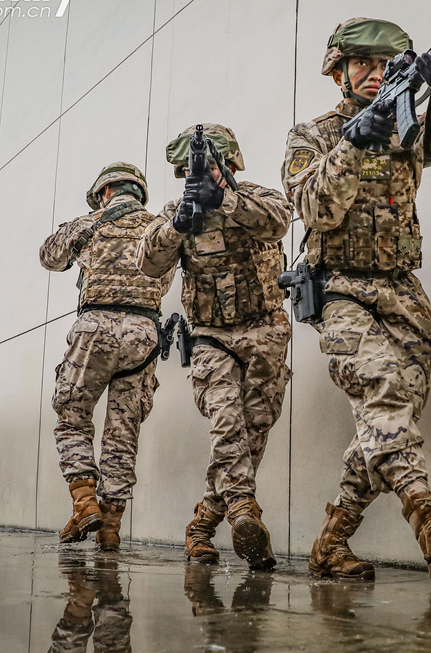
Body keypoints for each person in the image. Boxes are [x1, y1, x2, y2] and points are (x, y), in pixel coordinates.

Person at [281, 18, 431, 582]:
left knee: (388, 419)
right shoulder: (313, 137)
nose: (374, 74)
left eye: (383, 64)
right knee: (383, 391)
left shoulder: (406, 123)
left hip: (402, 292)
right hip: (340, 289)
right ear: (340, 73)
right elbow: (316, 208)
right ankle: (430, 524)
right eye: (362, 64)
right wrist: (354, 142)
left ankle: (331, 541)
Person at [137, 124, 293, 570]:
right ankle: (245, 511)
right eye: (188, 167)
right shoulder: (177, 211)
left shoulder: (257, 197)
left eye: (203, 165)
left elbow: (279, 222)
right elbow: (147, 263)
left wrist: (224, 199)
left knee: (253, 431)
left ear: (229, 165)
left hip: (264, 331)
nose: (196, 172)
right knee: (226, 420)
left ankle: (203, 525)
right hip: (210, 336)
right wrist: (176, 224)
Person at [40, 162, 174, 551]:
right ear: (139, 192)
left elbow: (49, 257)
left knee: (73, 417)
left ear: (104, 193)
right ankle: (110, 527)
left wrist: (79, 230)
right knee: (122, 433)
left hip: (94, 329)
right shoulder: (160, 226)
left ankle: (84, 503)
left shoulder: (88, 223)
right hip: (143, 335)